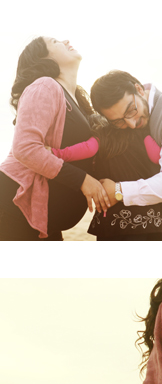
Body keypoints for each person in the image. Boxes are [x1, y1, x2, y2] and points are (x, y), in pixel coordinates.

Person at [0, 37, 111, 240]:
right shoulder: (45, 85)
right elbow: (25, 148)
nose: (66, 40)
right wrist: (82, 180)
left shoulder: (77, 99)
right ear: (44, 58)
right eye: (55, 42)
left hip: (40, 222)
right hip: (13, 208)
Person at [89, 70, 162, 241]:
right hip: (153, 226)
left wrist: (118, 191)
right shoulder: (126, 120)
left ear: (138, 89)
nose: (131, 123)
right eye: (118, 122)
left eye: (131, 110)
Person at [51, 126, 162, 241]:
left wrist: (57, 153)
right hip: (151, 219)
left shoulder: (102, 135)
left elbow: (87, 148)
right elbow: (158, 156)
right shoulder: (145, 133)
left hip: (114, 220)